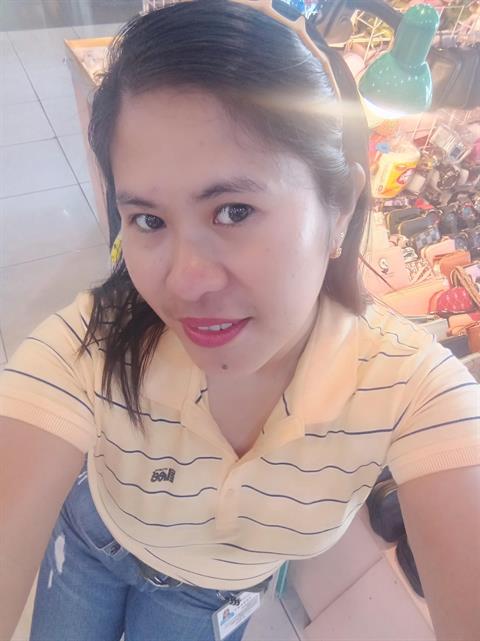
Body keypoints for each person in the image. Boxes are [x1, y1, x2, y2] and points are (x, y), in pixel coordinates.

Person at [0, 1, 479, 640]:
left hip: (208, 597)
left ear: (339, 208)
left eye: (233, 211)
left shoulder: (412, 393)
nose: (185, 281)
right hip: (92, 541)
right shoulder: (93, 342)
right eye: (148, 220)